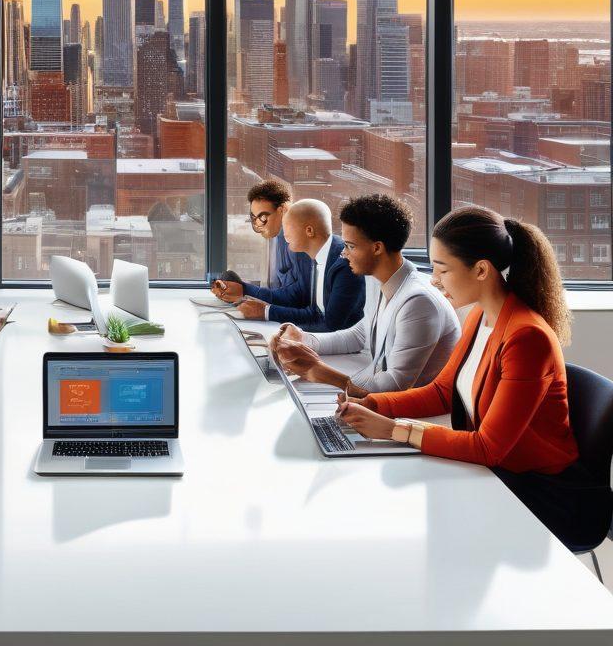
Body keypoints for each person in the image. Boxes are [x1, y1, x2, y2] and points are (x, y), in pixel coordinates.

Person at [337, 206, 613, 549]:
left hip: (548, 496)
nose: (434, 280)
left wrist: (394, 430)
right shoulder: (480, 315)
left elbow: (489, 447)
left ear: (481, 269)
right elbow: (441, 392)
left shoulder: (527, 337)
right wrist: (370, 404)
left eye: (442, 269)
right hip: (500, 476)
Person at [273, 194, 459, 394]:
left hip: (410, 414)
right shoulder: (387, 283)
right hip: (379, 397)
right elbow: (358, 336)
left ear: (377, 247)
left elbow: (396, 384)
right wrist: (301, 339)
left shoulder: (418, 301)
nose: (344, 253)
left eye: (350, 246)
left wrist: (318, 371)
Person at [217, 199, 364, 330]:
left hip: (342, 351)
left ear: (309, 231)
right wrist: (245, 289)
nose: (284, 233)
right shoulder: (314, 255)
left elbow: (330, 323)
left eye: (288, 226)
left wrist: (266, 312)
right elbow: (295, 295)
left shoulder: (344, 264)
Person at [210, 178, 304, 315]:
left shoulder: (297, 243)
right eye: (254, 218)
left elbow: (298, 298)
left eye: (262, 217)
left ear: (282, 210)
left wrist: (245, 290)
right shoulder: (274, 237)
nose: (258, 224)